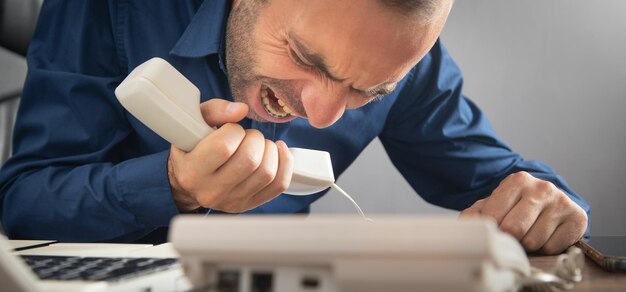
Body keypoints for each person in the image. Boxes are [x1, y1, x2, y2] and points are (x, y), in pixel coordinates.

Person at [0, 0, 588, 254]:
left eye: (369, 91)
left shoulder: (402, 62)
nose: (324, 115)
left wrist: (544, 201)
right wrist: (174, 185)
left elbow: (511, 184)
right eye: (307, 58)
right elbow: (22, 201)